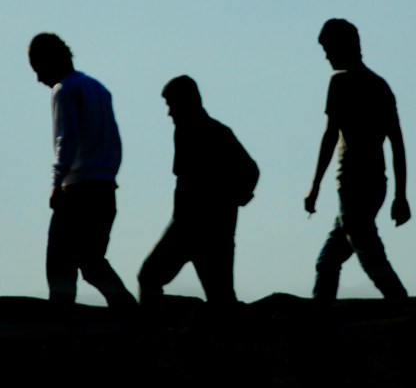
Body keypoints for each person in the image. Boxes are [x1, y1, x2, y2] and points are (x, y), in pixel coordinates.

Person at [304, 19, 410, 301]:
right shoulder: (380, 86)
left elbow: (330, 136)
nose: (326, 56)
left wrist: (314, 186)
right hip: (377, 185)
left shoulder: (340, 82)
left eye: (328, 48)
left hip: (353, 184)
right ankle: (322, 315)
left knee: (369, 253)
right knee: (328, 260)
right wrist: (400, 195)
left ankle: (401, 302)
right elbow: (397, 145)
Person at [27, 33, 136, 307]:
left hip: (78, 190)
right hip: (105, 188)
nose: (38, 78)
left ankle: (63, 324)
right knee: (91, 261)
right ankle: (128, 310)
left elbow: (67, 139)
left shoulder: (64, 90)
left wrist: (57, 182)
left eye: (38, 68)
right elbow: (115, 140)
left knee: (59, 263)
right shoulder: (99, 89)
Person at [138, 76, 258, 307]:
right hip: (204, 227)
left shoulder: (207, 132)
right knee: (220, 298)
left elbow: (250, 170)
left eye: (171, 105)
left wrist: (233, 200)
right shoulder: (203, 131)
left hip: (194, 227)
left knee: (150, 277)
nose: (169, 113)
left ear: (186, 102)